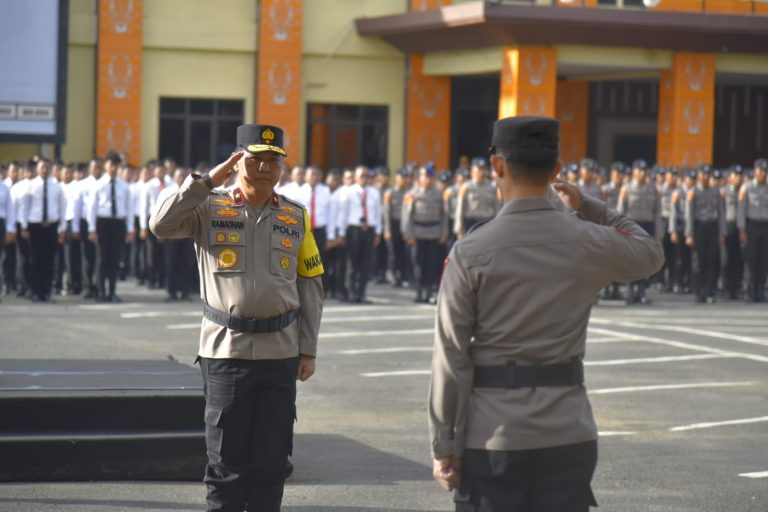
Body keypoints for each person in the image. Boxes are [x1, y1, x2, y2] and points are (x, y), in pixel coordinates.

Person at [429, 116, 663, 512]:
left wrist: (446, 444)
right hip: (568, 433)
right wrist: (589, 207)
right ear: (557, 170)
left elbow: (451, 355)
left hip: (493, 437)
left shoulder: (471, 251)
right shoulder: (587, 239)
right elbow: (650, 253)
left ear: (496, 166)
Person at [150, 124, 323, 512]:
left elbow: (310, 284)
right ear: (237, 160)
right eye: (255, 158)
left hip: (280, 354)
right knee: (226, 463)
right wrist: (207, 181)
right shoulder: (210, 208)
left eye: (272, 160)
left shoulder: (296, 216)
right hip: (226, 352)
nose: (264, 167)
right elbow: (160, 225)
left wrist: (307, 348)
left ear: (282, 166)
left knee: (273, 460)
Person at [88, 151, 135, 302]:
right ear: (106, 166)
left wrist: (130, 229)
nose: (113, 168)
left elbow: (129, 209)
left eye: (116, 165)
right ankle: (101, 292)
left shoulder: (124, 186)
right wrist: (92, 229)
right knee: (102, 259)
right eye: (110, 165)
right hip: (103, 222)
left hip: (118, 223)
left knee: (115, 259)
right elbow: (92, 208)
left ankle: (112, 291)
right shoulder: (98, 185)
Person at [20, 160, 67, 302]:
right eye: (42, 168)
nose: (45, 170)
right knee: (35, 259)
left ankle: (47, 291)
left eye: (47, 167)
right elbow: (25, 207)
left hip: (51, 226)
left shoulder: (56, 186)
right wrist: (24, 226)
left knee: (49, 260)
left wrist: (62, 228)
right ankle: (35, 290)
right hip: (35, 226)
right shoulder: (31, 185)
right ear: (37, 169)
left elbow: (62, 207)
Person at [402, 165, 449, 304]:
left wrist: (444, 233)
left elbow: (444, 215)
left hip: (434, 233)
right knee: (418, 264)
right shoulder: (412, 194)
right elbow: (407, 216)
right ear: (420, 178)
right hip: (417, 234)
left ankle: (429, 292)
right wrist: (408, 234)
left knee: (432, 264)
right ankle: (419, 292)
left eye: (429, 176)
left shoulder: (439, 194)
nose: (427, 179)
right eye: (424, 176)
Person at [617, 159, 661, 304]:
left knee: (644, 260)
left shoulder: (653, 189)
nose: (643, 173)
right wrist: (617, 230)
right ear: (634, 172)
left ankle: (642, 291)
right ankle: (630, 291)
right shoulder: (626, 188)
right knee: (630, 258)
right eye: (640, 170)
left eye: (644, 170)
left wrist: (658, 233)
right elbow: (620, 211)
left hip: (647, 226)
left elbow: (657, 212)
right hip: (630, 226)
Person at [338, 166, 381, 303]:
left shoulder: (374, 192)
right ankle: (351, 292)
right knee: (352, 263)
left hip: (369, 230)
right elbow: (343, 213)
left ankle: (361, 293)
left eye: (366, 176)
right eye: (361, 175)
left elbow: (378, 213)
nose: (364, 178)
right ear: (356, 177)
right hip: (354, 230)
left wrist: (378, 232)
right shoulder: (349, 192)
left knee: (366, 263)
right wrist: (342, 233)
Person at [685, 165, 725, 304]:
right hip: (698, 227)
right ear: (699, 176)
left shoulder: (716, 192)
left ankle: (709, 291)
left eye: (708, 174)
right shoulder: (693, 191)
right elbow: (689, 214)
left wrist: (721, 232)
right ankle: (698, 291)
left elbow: (721, 213)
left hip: (712, 228)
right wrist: (689, 234)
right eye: (703, 174)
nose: (706, 177)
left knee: (710, 261)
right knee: (698, 262)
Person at [738, 158, 768, 303]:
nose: (763, 173)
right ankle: (748, 291)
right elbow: (741, 210)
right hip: (752, 226)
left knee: (763, 261)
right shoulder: (747, 187)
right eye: (761, 170)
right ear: (755, 171)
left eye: (765, 171)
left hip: (765, 226)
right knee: (751, 261)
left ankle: (760, 291)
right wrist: (742, 230)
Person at [454, 158, 498, 238]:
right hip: (471, 223)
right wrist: (459, 229)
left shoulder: (492, 187)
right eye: (479, 170)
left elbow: (496, 207)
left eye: (484, 169)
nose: (482, 172)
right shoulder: (466, 187)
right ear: (473, 172)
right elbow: (459, 209)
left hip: (487, 222)